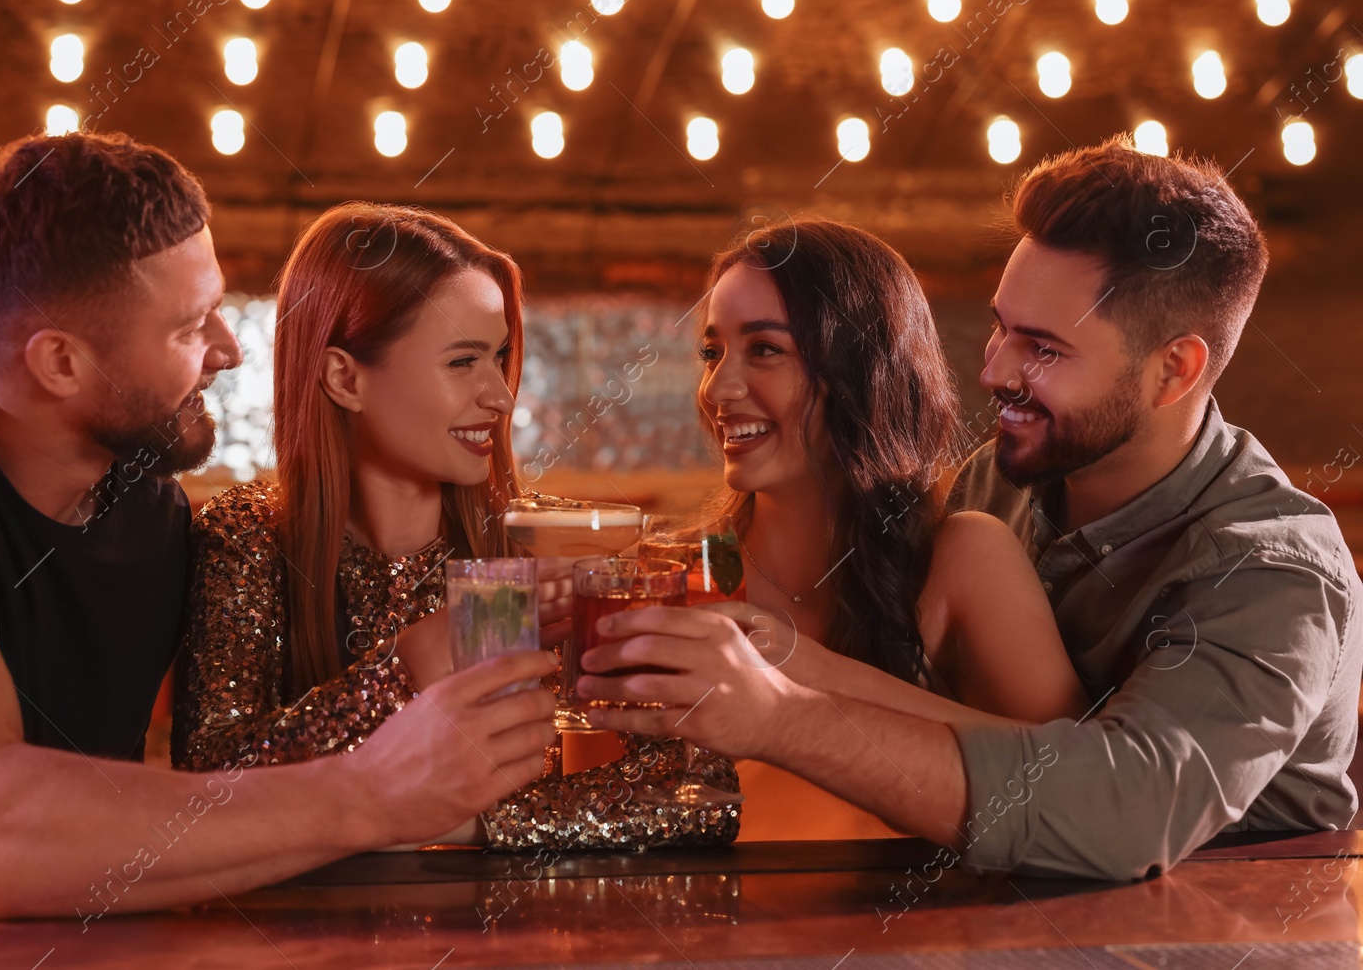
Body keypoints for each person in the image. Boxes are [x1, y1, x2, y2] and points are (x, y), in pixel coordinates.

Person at [0, 132, 557, 919]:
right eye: (191, 325)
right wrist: (376, 792)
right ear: (61, 363)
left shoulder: (147, 511)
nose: (231, 349)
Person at [582, 137, 1363, 880]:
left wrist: (784, 711)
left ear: (1175, 369)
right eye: (1001, 326)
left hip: (1240, 936)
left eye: (1044, 349)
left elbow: (1123, 810)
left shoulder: (1272, 569)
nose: (993, 371)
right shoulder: (1003, 479)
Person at [171, 201, 739, 851]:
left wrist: (467, 822)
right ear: (343, 377)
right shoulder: (245, 537)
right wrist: (408, 665)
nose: (500, 395)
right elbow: (204, 793)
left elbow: (704, 793)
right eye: (463, 362)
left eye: (500, 357)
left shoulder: (550, 544)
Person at [578, 216, 1089, 837]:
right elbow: (591, 808)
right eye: (713, 352)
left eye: (765, 350)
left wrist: (803, 666)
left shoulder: (961, 556)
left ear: (864, 371)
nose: (718, 387)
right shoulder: (670, 576)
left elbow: (1078, 777)